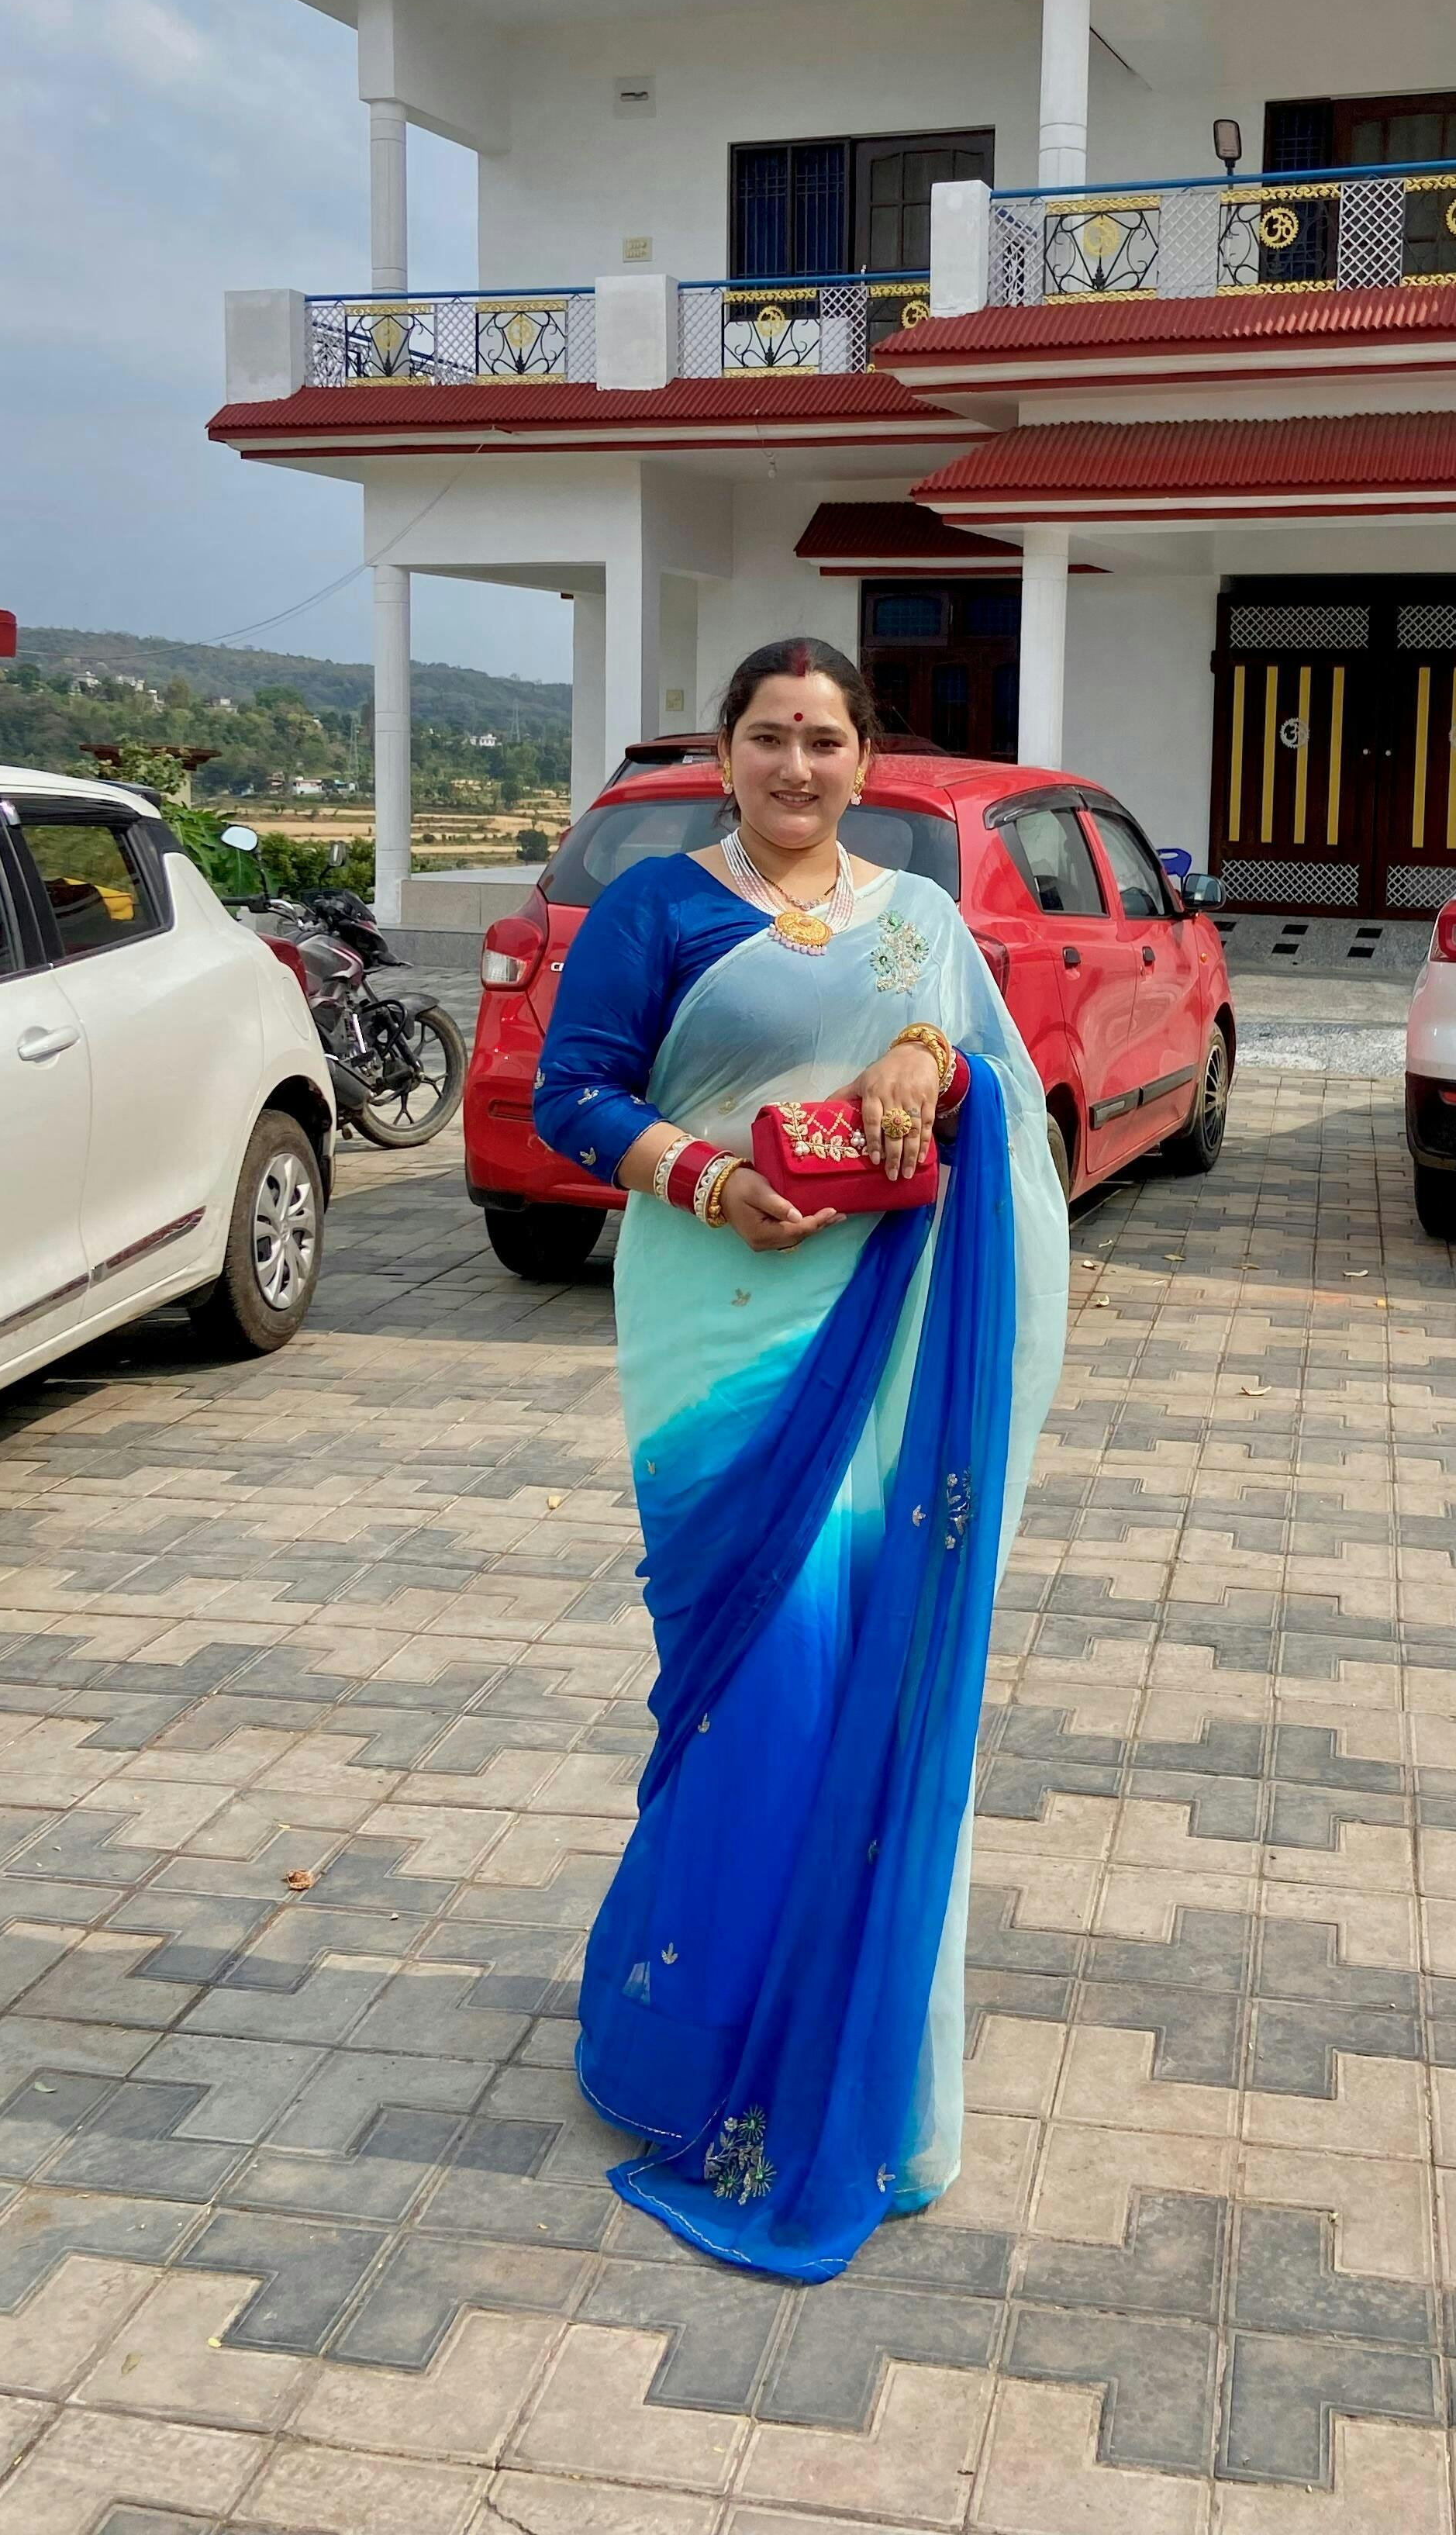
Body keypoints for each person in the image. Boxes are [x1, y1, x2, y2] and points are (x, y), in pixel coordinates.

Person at [532, 637, 1066, 2281]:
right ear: (724, 753)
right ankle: (691, 2039)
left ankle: (841, 2036)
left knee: (859, 1674)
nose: (796, 767)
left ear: (864, 759)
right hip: (713, 1328)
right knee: (749, 1675)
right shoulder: (657, 909)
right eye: (769, 737)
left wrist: (928, 1058)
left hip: (879, 1328)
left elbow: (999, 1092)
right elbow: (571, 1097)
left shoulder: (919, 919)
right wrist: (704, 1178)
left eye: (825, 740)